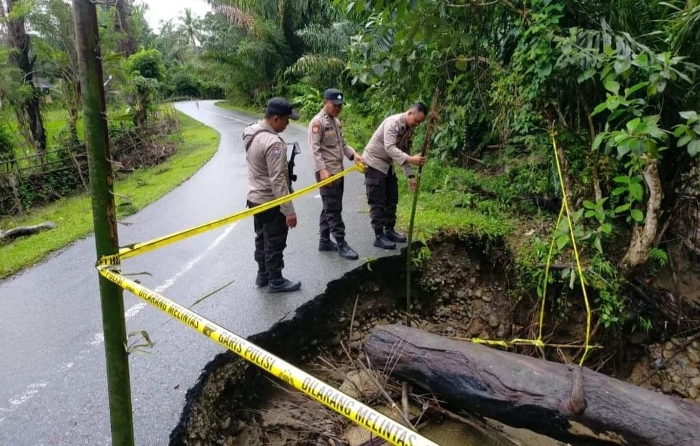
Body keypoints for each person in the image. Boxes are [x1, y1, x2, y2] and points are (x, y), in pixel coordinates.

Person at [242, 97, 302, 293]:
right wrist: (289, 210)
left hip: (254, 200)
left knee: (261, 238)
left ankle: (263, 275)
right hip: (270, 201)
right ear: (276, 119)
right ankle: (276, 279)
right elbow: (277, 180)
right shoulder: (273, 143)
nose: (288, 123)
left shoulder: (250, 131)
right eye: (286, 119)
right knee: (275, 240)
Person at [308, 88, 365, 260]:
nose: (338, 108)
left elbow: (343, 144)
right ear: (325, 102)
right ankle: (341, 243)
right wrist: (322, 170)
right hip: (327, 173)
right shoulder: (317, 123)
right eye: (335, 105)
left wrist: (354, 154)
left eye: (340, 105)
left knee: (330, 205)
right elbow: (314, 150)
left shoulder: (336, 122)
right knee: (334, 209)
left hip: (338, 171)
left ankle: (324, 240)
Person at [362, 102, 427, 249]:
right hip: (374, 162)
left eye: (420, 123)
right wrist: (411, 159)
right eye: (416, 120)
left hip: (387, 164)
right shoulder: (393, 123)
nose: (417, 124)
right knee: (377, 200)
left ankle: (389, 230)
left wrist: (410, 175)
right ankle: (379, 236)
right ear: (409, 113)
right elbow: (390, 148)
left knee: (392, 197)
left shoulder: (408, 129)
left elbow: (403, 152)